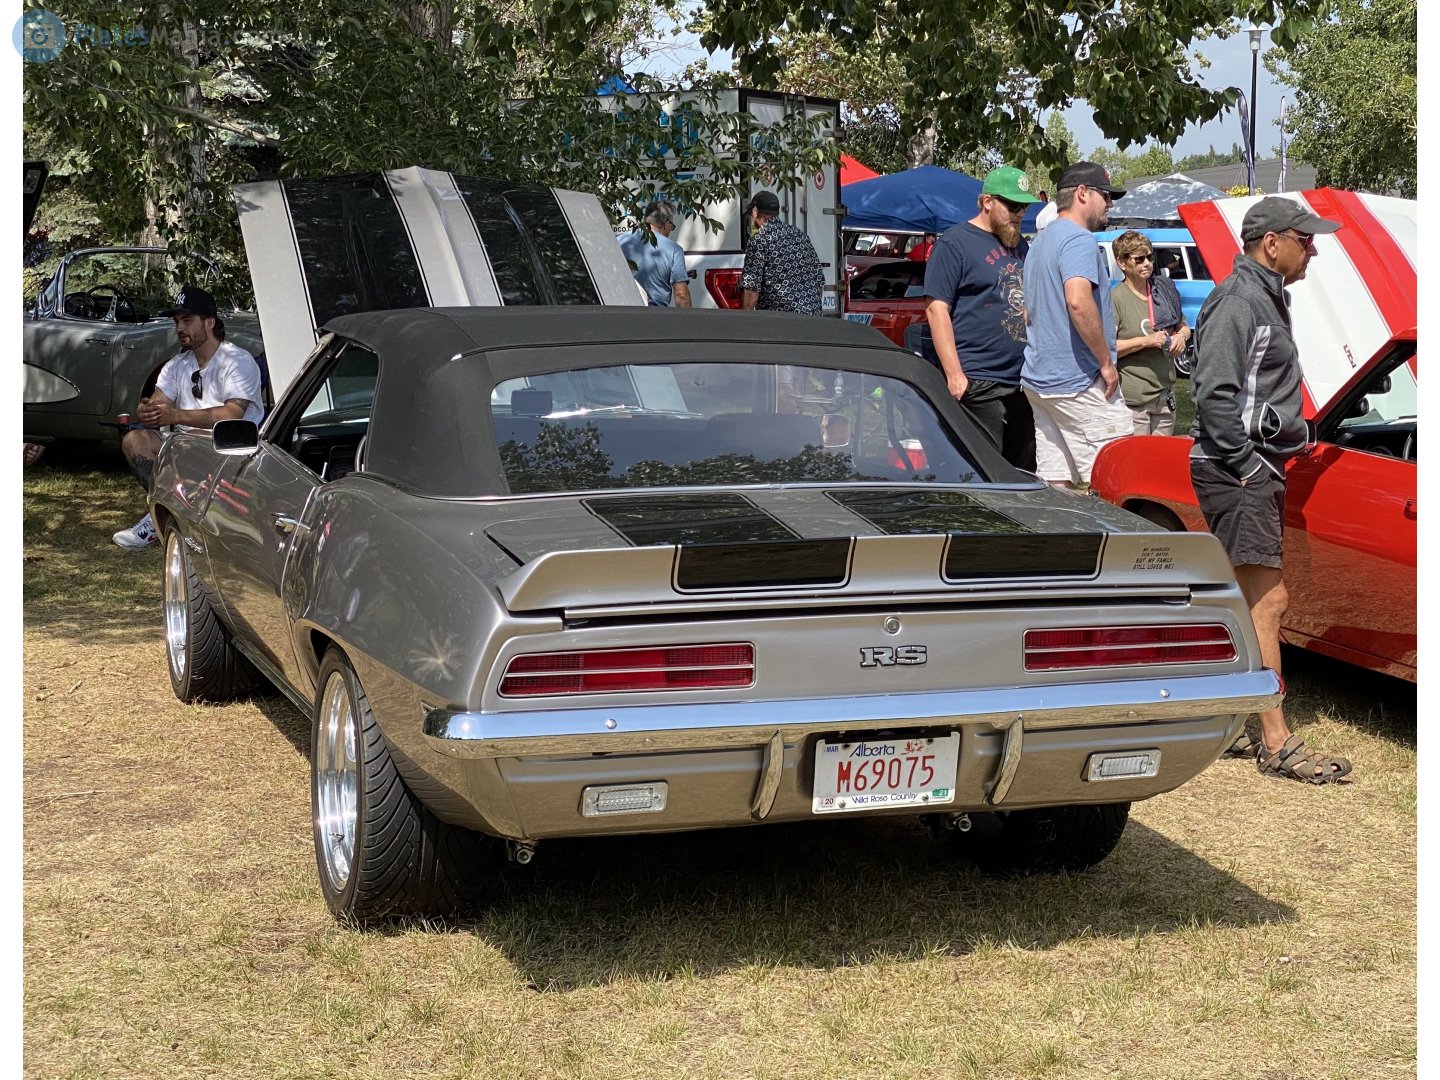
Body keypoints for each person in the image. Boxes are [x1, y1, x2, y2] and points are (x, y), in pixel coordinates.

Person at [1189, 196, 1350, 784]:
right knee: (1268, 601)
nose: (1314, 248)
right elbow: (1212, 395)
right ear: (1271, 242)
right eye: (1305, 239)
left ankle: (1228, 721)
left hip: (1252, 464)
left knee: (1238, 599)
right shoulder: (1241, 300)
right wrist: (1249, 465)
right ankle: (1275, 739)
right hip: (1237, 470)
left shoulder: (1263, 294)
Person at [113, 286, 265, 549]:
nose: (180, 328)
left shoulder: (236, 361)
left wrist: (176, 414)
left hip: (229, 453)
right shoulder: (177, 365)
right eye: (176, 322)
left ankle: (180, 516)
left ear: (209, 322)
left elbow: (232, 415)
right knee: (134, 440)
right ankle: (165, 512)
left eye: (187, 320)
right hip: (185, 450)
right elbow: (159, 403)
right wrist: (149, 409)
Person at [1019, 161, 1132, 488]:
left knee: (1057, 484)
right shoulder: (1078, 240)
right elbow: (1078, 301)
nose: (1110, 205)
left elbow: (1029, 311)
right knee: (1117, 480)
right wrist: (1106, 363)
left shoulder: (1039, 242)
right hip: (1078, 381)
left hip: (1040, 381)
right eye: (1107, 196)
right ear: (1083, 193)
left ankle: (1060, 540)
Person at [921, 164, 1040, 469]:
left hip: (1022, 380)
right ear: (988, 201)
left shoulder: (1019, 244)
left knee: (1023, 473)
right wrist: (955, 375)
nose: (1020, 213)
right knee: (984, 473)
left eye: (1024, 206)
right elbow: (937, 310)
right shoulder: (954, 243)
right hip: (979, 380)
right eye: (1012, 205)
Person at [1110, 230, 1190, 435]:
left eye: (1149, 257)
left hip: (1166, 395)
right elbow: (1109, 348)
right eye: (1139, 259)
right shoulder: (1116, 299)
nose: (1146, 263)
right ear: (1122, 262)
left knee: (1160, 461)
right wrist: (1147, 341)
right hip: (1135, 400)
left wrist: (1181, 337)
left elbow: (1183, 326)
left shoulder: (1162, 289)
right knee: (1137, 462)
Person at [740, 190, 824, 315]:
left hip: (781, 323)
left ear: (755, 212)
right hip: (813, 319)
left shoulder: (759, 241)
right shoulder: (800, 235)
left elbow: (751, 290)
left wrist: (745, 320)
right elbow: (819, 285)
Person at [617, 201, 692, 308]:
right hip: (656, 316)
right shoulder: (674, 250)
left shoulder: (620, 241)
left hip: (621, 311)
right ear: (665, 223)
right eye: (671, 226)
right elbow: (681, 296)